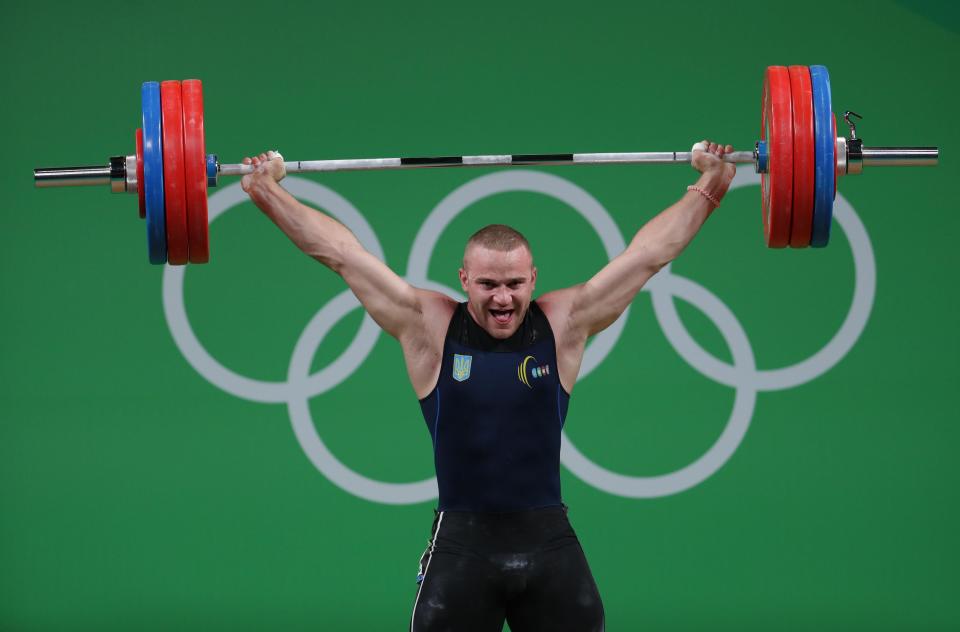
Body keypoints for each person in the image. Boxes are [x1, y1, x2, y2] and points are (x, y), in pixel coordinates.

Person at [241, 141, 737, 632]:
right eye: (488, 285)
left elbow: (648, 255)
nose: (503, 297)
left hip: (549, 545)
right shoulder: (428, 327)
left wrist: (710, 184)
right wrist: (268, 193)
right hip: (462, 550)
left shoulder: (562, 324)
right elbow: (342, 255)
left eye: (515, 284)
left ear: (533, 279)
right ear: (464, 280)